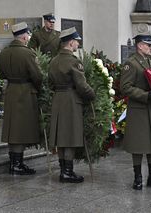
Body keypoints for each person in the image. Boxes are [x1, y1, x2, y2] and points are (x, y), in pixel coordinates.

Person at [120, 34, 151, 190]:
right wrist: (145, 95)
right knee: (138, 144)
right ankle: (138, 176)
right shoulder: (131, 64)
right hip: (139, 107)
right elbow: (125, 87)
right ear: (140, 45)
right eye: (149, 45)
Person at [48, 27, 95, 183]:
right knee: (70, 136)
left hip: (58, 99)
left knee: (61, 137)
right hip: (71, 100)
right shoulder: (74, 61)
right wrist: (92, 94)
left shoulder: (53, 61)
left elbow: (50, 83)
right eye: (76, 41)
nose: (78, 44)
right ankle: (67, 172)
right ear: (71, 42)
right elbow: (81, 85)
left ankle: (64, 171)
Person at [0, 22, 42, 175]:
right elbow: (37, 76)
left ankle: (15, 162)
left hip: (10, 92)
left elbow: (1, 74)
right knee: (21, 129)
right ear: (24, 36)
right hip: (25, 92)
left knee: (12, 129)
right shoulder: (28, 53)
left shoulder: (4, 52)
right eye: (28, 35)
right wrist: (38, 88)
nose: (28, 38)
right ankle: (17, 164)